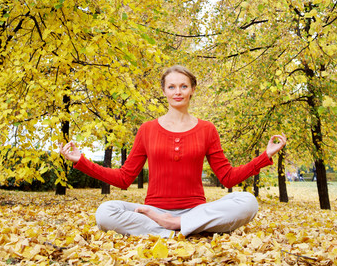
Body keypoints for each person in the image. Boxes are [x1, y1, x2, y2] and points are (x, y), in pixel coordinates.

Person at [60, 66, 286, 238]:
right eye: (172, 87)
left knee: (248, 201)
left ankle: (177, 226)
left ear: (192, 90)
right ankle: (181, 231)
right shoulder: (147, 129)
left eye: (183, 86)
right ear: (164, 91)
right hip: (153, 211)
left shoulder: (207, 129)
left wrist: (265, 156)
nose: (178, 92)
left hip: (196, 209)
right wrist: (81, 161)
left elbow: (228, 177)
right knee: (105, 211)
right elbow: (123, 178)